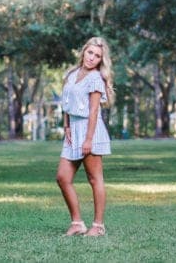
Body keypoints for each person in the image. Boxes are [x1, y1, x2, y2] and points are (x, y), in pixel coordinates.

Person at [56, 36, 115, 237]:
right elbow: (66, 101)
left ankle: (98, 226)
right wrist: (66, 125)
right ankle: (77, 223)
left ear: (101, 60)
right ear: (83, 52)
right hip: (73, 129)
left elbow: (94, 111)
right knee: (63, 178)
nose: (92, 58)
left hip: (91, 130)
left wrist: (88, 139)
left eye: (97, 56)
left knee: (94, 178)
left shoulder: (96, 78)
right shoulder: (72, 74)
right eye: (90, 53)